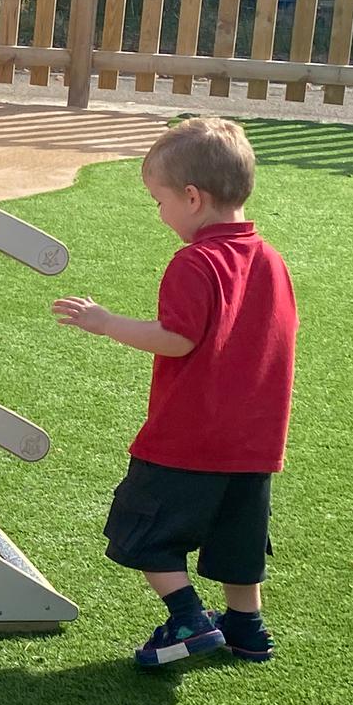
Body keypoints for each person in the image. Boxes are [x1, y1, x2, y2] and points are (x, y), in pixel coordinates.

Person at [52, 117, 297, 667]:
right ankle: (246, 627)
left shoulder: (195, 261)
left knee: (140, 530)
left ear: (192, 197)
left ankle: (186, 617)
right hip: (254, 443)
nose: (159, 213)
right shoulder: (271, 260)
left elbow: (177, 340)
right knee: (239, 539)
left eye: (158, 201)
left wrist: (106, 322)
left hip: (188, 438)